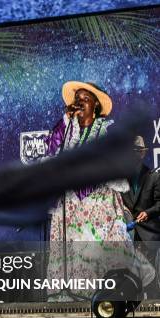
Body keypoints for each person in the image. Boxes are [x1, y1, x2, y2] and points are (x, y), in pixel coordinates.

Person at [45, 82, 154, 299]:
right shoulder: (67, 130)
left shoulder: (107, 132)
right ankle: (72, 296)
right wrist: (66, 120)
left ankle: (108, 298)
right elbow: (51, 147)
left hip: (98, 204)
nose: (80, 102)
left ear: (95, 105)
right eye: (77, 99)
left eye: (85, 98)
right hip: (71, 206)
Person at [122, 136, 160, 262]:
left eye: (137, 152)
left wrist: (148, 213)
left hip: (149, 237)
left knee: (151, 278)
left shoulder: (154, 177)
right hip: (127, 239)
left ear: (143, 153)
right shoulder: (121, 181)